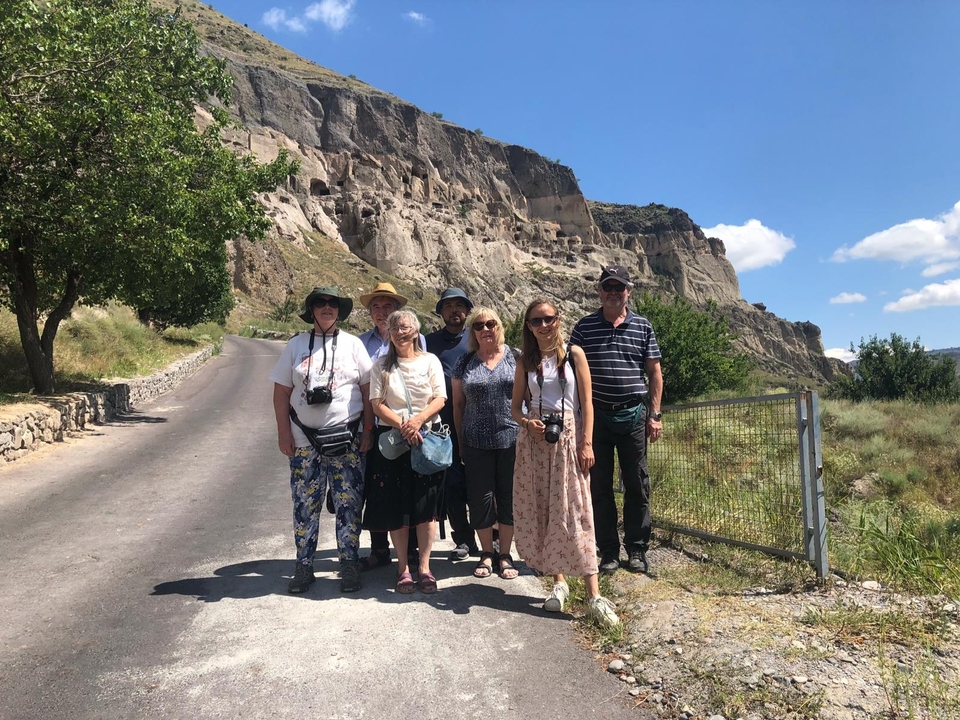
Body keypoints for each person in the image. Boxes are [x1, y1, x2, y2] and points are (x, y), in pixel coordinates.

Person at [510, 299, 619, 626]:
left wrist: (587, 442)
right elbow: (515, 408)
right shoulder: (525, 362)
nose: (544, 325)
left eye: (549, 319)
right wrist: (527, 423)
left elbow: (587, 402)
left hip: (569, 437)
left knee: (577, 511)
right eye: (536, 321)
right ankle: (558, 582)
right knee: (545, 509)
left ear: (558, 320)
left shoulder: (574, 355)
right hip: (535, 442)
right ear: (529, 327)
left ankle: (594, 595)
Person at [270, 286, 374, 594]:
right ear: (312, 310)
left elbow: (368, 390)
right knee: (305, 505)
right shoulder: (295, 345)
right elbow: (281, 392)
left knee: (349, 504)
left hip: (347, 439)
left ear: (339, 310)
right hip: (304, 440)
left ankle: (349, 564)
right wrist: (283, 432)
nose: (327, 307)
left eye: (332, 303)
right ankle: (304, 566)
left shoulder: (353, 345)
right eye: (320, 303)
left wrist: (368, 429)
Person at [571, 265, 663, 575]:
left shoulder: (643, 326)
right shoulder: (584, 327)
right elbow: (569, 372)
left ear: (628, 291)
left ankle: (636, 549)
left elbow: (654, 373)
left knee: (637, 483)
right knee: (599, 486)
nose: (613, 292)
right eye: (607, 287)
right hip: (596, 417)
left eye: (619, 287)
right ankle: (608, 550)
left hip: (633, 415)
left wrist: (655, 415)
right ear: (599, 291)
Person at [363, 309, 447, 594]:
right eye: (395, 327)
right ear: (389, 333)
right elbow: (377, 404)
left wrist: (418, 421)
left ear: (416, 331)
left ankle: (424, 567)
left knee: (426, 507)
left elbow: (440, 397)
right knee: (396, 506)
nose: (401, 332)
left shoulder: (430, 361)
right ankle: (403, 568)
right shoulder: (381, 366)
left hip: (426, 438)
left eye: (406, 327)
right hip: (394, 441)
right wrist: (404, 425)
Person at [356, 282, 425, 572]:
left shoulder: (416, 339)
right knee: (376, 490)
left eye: (388, 306)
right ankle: (379, 550)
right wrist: (366, 428)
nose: (382, 312)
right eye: (376, 307)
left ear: (397, 310)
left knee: (409, 488)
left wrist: (414, 424)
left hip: (410, 428)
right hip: (373, 426)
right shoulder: (360, 343)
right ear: (370, 312)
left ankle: (410, 552)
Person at [451, 307, 519, 580]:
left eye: (491, 323)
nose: (485, 329)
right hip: (475, 442)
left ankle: (505, 554)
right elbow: (458, 405)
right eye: (478, 325)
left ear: (499, 326)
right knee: (480, 500)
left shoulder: (515, 357)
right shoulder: (465, 361)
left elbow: (528, 396)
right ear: (473, 332)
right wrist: (460, 441)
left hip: (511, 439)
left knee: (508, 498)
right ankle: (486, 552)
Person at [424, 288, 480, 560]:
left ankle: (491, 538)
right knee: (452, 482)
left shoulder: (479, 335)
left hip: (479, 421)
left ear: (467, 310)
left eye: (460, 305)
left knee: (482, 482)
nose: (454, 310)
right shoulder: (428, 342)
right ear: (440, 312)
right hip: (443, 426)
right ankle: (464, 539)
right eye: (448, 306)